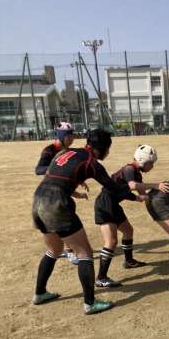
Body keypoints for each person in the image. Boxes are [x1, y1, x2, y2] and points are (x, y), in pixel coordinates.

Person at [32, 129, 140, 315]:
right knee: (85, 253)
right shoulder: (92, 163)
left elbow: (53, 175)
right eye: (108, 148)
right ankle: (90, 303)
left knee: (54, 250)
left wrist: (73, 188)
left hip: (38, 200)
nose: (108, 152)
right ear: (102, 147)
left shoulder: (67, 152)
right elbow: (112, 187)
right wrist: (135, 197)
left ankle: (39, 293)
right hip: (56, 204)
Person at [94, 145, 165, 287]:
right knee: (111, 241)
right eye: (151, 163)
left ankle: (129, 261)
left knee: (128, 231)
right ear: (142, 160)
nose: (152, 167)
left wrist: (154, 198)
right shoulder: (129, 169)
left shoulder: (136, 173)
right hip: (105, 204)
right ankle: (101, 278)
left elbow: (140, 193)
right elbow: (132, 186)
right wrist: (156, 185)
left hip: (113, 204)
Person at [35, 122, 80, 265]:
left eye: (72, 136)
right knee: (62, 219)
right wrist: (54, 168)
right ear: (61, 136)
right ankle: (69, 251)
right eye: (69, 136)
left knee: (65, 217)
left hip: (61, 189)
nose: (72, 139)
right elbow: (38, 169)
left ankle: (66, 249)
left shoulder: (67, 150)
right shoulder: (49, 151)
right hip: (50, 190)